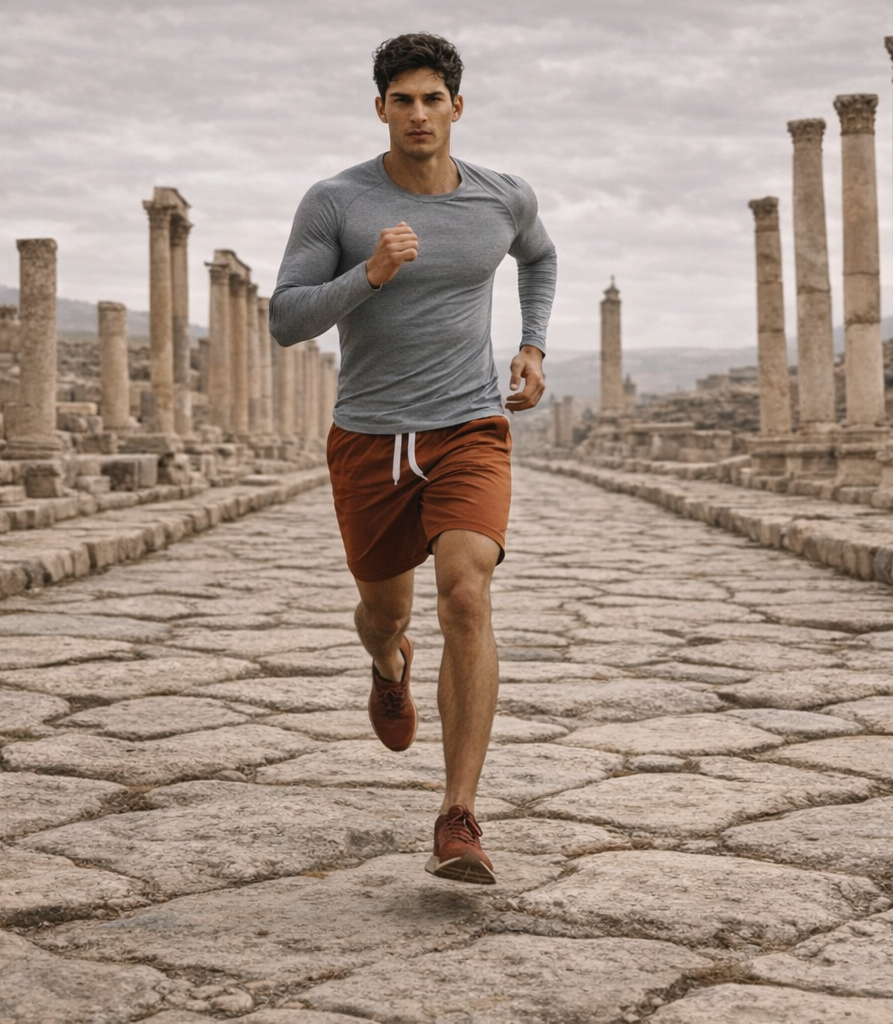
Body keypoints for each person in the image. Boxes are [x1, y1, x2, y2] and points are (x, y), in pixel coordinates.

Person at [269, 32, 557, 884]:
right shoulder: (337, 202)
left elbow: (538, 256)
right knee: (385, 616)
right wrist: (371, 275)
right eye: (404, 100)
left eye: (434, 99)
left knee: (466, 594)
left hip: (468, 426)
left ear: (457, 107)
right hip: (369, 436)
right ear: (381, 108)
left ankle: (458, 816)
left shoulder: (503, 198)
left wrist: (532, 347)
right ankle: (387, 664)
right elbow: (286, 319)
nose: (419, 113)